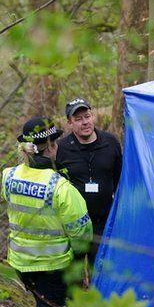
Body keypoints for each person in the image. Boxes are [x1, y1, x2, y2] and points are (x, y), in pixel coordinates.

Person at [3, 117, 93, 307]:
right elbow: (82, 234)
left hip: (20, 263)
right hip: (52, 267)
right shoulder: (60, 188)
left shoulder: (9, 177)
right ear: (52, 146)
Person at [56, 98, 122, 263]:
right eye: (78, 119)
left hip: (103, 222)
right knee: (74, 274)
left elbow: (120, 180)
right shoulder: (62, 148)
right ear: (69, 123)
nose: (85, 122)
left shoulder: (110, 142)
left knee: (99, 270)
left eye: (87, 116)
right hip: (74, 225)